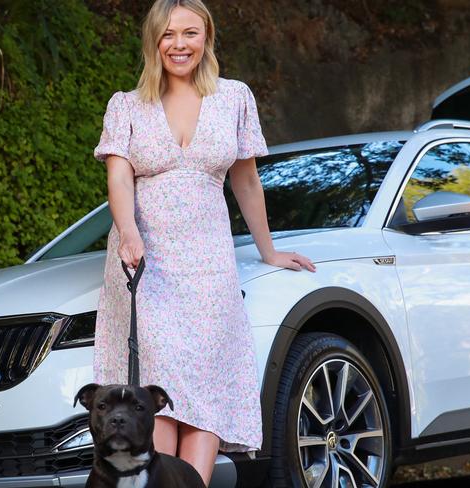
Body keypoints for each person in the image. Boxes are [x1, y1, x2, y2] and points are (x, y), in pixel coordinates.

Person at [92, 0, 316, 485]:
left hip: (210, 267)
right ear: (154, 41)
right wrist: (128, 231)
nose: (179, 45)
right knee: (162, 393)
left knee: (206, 395)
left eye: (190, 33)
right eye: (168, 35)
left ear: (207, 38)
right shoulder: (126, 106)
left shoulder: (234, 98)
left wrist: (269, 250)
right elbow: (119, 180)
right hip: (146, 264)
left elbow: (248, 182)